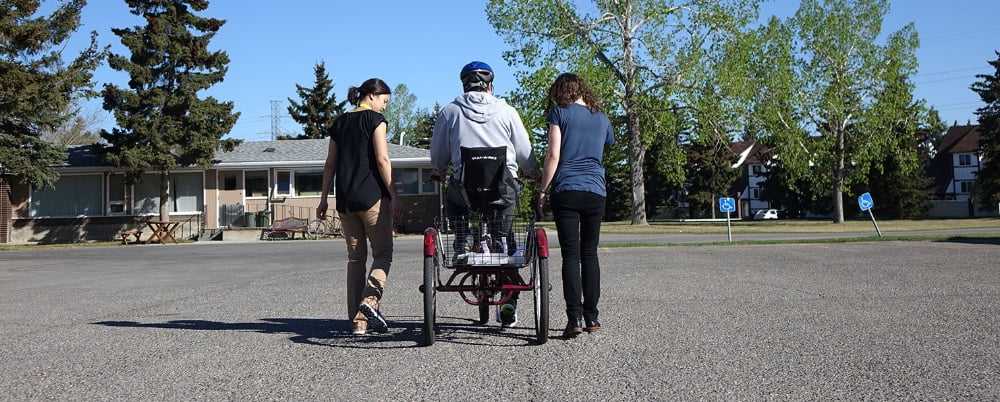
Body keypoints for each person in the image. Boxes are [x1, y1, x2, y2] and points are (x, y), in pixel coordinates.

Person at [430, 61, 540, 327]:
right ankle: (509, 297)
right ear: (490, 85)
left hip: (465, 191)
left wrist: (440, 169)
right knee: (506, 237)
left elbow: (438, 156)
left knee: (455, 196)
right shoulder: (507, 111)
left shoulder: (450, 111)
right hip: (503, 189)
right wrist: (532, 172)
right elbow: (525, 153)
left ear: (464, 84)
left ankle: (463, 241)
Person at [537, 73, 614, 338]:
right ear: (583, 89)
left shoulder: (559, 113)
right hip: (596, 191)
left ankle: (574, 320)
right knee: (590, 254)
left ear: (560, 91)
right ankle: (593, 318)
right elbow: (606, 145)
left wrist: (543, 189)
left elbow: (553, 154)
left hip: (567, 190)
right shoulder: (602, 118)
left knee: (571, 255)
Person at [317, 78, 396, 336]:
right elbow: (382, 159)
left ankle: (357, 322)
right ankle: (368, 304)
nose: (384, 107)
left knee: (355, 259)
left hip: (346, 201)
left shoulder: (339, 123)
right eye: (384, 101)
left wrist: (323, 198)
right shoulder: (375, 121)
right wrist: (393, 192)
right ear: (372, 95)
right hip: (372, 198)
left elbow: (330, 164)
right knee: (383, 254)